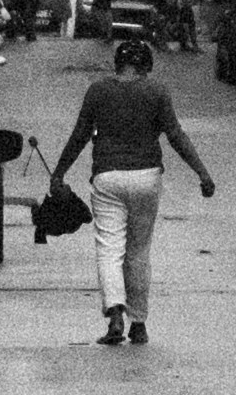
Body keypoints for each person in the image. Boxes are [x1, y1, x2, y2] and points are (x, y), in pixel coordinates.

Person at [51, 29, 216, 350]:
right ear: (147, 67)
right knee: (138, 251)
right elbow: (176, 136)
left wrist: (59, 173)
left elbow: (79, 136)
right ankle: (138, 323)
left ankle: (115, 314)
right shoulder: (156, 92)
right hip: (146, 178)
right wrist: (202, 173)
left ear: (117, 65)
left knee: (109, 248)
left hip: (108, 179)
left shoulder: (98, 91)